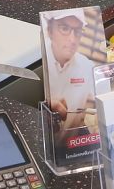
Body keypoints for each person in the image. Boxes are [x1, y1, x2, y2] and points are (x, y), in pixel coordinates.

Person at [43, 9, 96, 137]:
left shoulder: (87, 66)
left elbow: (106, 98)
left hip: (73, 148)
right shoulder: (37, 63)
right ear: (50, 31)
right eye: (65, 28)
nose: (72, 40)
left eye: (77, 32)